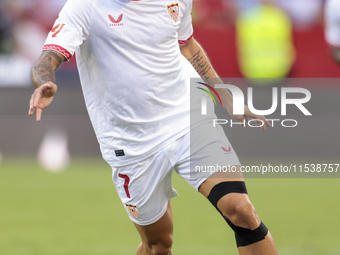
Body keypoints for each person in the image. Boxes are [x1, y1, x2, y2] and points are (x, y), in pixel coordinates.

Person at [28, 0, 278, 254]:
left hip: (186, 118)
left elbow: (187, 45)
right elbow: (47, 59)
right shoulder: (85, 6)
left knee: (241, 210)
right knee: (159, 245)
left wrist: (224, 95)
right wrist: (44, 82)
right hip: (130, 142)